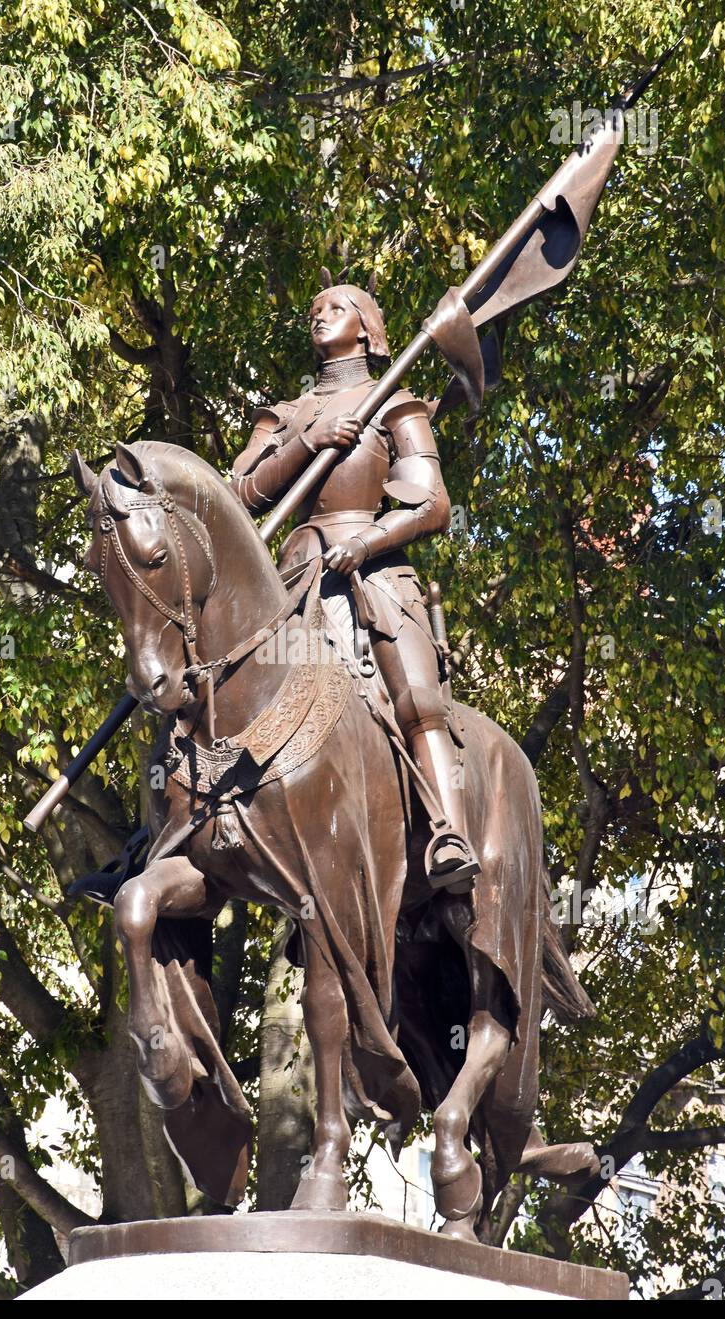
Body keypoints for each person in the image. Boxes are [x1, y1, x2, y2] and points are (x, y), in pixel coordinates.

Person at [230, 275, 479, 892]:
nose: (320, 316)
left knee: (417, 698)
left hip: (372, 572)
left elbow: (431, 504)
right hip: (289, 575)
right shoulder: (284, 416)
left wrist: (365, 541)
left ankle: (448, 829)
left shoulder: (396, 402)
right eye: (314, 309)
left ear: (367, 328)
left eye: (336, 307)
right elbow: (240, 494)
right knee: (213, 678)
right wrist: (306, 444)